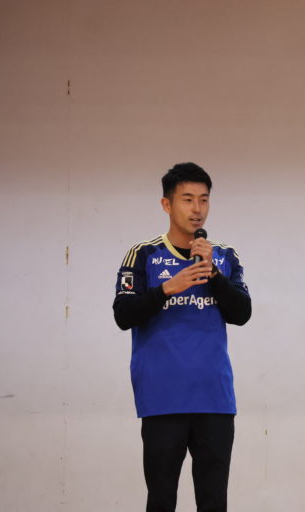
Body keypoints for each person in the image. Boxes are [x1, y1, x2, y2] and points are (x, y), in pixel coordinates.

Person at [113, 162, 251, 512]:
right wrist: (167, 289)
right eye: (187, 199)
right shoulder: (143, 255)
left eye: (204, 200)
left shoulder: (224, 256)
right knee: (161, 499)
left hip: (215, 398)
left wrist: (213, 275)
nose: (197, 209)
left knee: (213, 501)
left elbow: (242, 314)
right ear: (166, 204)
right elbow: (123, 315)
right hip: (162, 397)